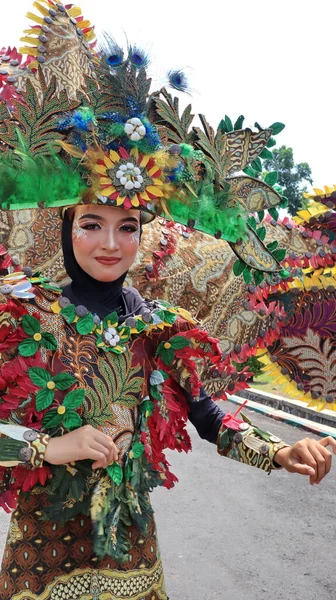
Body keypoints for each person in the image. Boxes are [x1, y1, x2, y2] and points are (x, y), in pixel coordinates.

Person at [0, 3, 335, 599]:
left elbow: (209, 416)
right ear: (64, 227)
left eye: (127, 226)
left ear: (142, 231)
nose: (110, 243)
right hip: (41, 562)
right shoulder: (28, 317)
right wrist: (51, 446)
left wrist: (281, 450)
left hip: (135, 556)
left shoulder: (158, 326)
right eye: (91, 224)